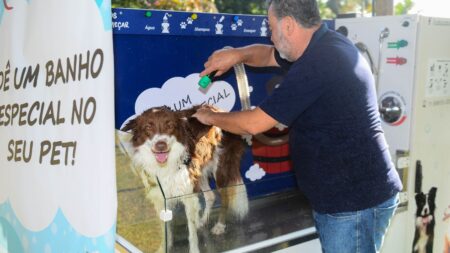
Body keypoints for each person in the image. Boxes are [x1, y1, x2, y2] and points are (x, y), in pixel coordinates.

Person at [193, 0, 403, 252]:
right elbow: (269, 55)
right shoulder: (324, 45)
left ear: (289, 25)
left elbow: (253, 123)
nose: (269, 35)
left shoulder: (319, 63)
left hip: (353, 202)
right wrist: (237, 55)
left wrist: (209, 116)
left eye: (271, 27)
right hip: (352, 194)